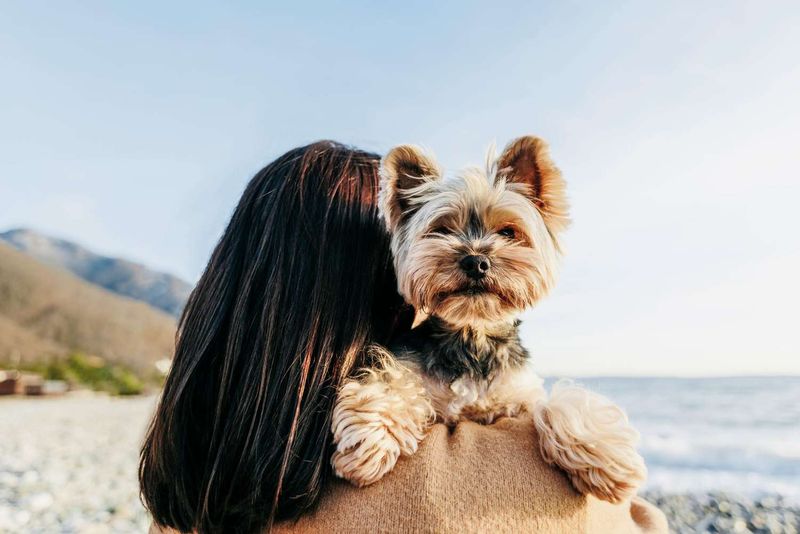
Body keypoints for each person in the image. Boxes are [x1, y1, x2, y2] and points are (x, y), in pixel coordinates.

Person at [141, 141, 667, 534]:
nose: (477, 255)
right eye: (442, 231)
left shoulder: (185, 465)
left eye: (508, 234)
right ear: (384, 265)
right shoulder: (496, 480)